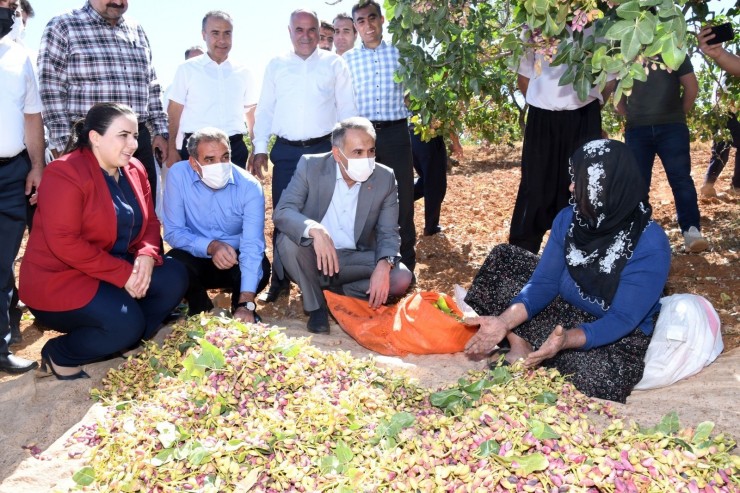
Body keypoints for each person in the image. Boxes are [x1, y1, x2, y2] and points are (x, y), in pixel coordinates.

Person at [463, 140, 671, 403]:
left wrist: (566, 341)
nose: (571, 187)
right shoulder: (569, 219)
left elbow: (622, 319)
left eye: (581, 180)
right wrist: (503, 323)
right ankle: (520, 346)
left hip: (614, 331)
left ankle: (545, 351)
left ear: (607, 188)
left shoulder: (650, 243)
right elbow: (544, 283)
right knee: (503, 260)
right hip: (564, 307)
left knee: (596, 376)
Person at [18, 103, 187, 380]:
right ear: (95, 138)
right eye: (123, 135)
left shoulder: (135, 169)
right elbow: (64, 242)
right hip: (62, 278)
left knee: (174, 275)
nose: (133, 144)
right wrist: (123, 276)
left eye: (135, 135)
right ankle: (60, 353)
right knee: (125, 323)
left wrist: (145, 254)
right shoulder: (64, 172)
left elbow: (150, 222)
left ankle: (124, 339)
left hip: (110, 267)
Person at [252, 8, 356, 303]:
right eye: (299, 30)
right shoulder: (276, 65)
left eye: (312, 30)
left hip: (325, 150)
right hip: (286, 152)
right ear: (289, 32)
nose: (306, 36)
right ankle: (281, 281)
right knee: (285, 217)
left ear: (320, 33)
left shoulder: (334, 64)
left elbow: (347, 110)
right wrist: (260, 148)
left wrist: (350, 153)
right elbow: (266, 109)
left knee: (326, 217)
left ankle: (327, 281)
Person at [273, 117, 413, 333]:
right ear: (337, 154)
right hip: (313, 257)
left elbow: (389, 232)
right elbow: (283, 212)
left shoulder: (385, 178)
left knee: (401, 277)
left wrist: (385, 264)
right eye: (358, 152)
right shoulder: (311, 166)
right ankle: (316, 307)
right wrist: (314, 229)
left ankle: (335, 294)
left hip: (353, 259)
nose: (366, 158)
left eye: (371, 151)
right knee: (288, 242)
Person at [37, 0, 169, 201]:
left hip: (137, 142)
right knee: (95, 217)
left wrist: (160, 131)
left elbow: (151, 83)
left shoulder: (136, 29)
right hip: (89, 142)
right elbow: (50, 88)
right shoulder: (64, 26)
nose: (117, 2)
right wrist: (66, 147)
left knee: (142, 215)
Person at [510, 28, 614, 254]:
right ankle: (520, 260)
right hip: (541, 119)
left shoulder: (599, 25)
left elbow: (610, 79)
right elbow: (523, 77)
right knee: (534, 188)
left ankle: (582, 261)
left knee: (583, 188)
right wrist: (545, 105)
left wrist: (591, 111)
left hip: (584, 117)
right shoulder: (533, 26)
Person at [163, 127, 270, 322]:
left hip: (235, 261)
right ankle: (200, 309)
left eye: (225, 157)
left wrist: (247, 302)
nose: (219, 165)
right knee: (173, 265)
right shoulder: (178, 176)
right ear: (194, 163)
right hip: (196, 257)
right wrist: (211, 246)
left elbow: (252, 245)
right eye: (210, 160)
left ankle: (243, 310)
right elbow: (173, 232)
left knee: (261, 267)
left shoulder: (249, 187)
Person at [345, 0, 417, 274]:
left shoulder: (402, 54)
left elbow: (412, 97)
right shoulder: (348, 60)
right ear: (355, 26)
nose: (367, 25)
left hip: (397, 134)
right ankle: (368, 263)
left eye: (371, 18)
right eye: (360, 21)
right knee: (363, 198)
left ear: (382, 19)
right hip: (362, 140)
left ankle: (406, 264)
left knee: (404, 199)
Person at [617, 57, 708, 252]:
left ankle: (692, 233)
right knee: (637, 183)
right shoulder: (624, 52)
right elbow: (618, 97)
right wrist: (632, 117)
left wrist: (676, 116)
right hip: (637, 130)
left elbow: (692, 87)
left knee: (680, 179)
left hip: (672, 128)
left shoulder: (673, 51)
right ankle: (637, 235)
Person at [0, 0, 44, 373]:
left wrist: (36, 166)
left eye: (9, 4)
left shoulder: (19, 57)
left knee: (1, 263)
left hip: (10, 173)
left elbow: (32, 117)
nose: (6, 9)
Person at [165, 11, 257, 170]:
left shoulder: (244, 72)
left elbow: (251, 113)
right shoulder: (187, 69)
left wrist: (256, 149)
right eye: (215, 33)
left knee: (233, 195)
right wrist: (172, 148)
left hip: (234, 151)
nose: (222, 40)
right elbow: (174, 111)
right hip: (196, 151)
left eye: (227, 33)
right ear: (203, 34)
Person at [409, 126, 448, 236]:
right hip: (429, 135)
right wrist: (455, 142)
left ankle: (399, 197)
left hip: (413, 135)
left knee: (427, 180)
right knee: (434, 183)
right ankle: (431, 228)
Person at [701, 113, 739, 197]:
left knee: (720, 153)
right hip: (723, 114)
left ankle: (737, 186)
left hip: (726, 114)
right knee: (720, 153)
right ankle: (707, 187)